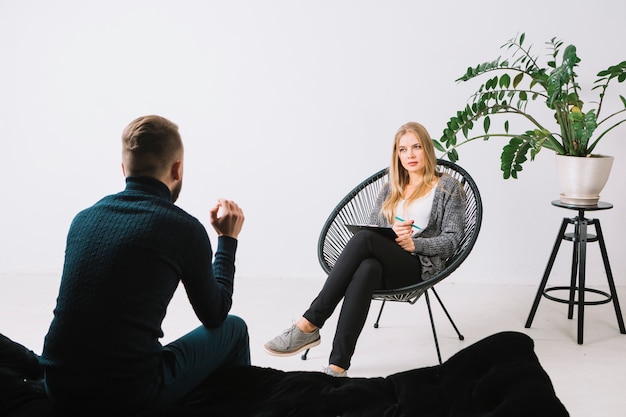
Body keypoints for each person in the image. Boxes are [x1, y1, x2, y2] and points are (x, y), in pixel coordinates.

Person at [40, 115, 250, 414]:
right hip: (128, 395)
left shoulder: (83, 219)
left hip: (57, 386)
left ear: (124, 169)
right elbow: (215, 315)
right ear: (177, 169)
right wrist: (227, 241)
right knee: (234, 329)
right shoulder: (183, 228)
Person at [264, 121, 465, 377]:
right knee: (368, 266)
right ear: (397, 155)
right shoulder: (391, 189)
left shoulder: (448, 188)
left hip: (418, 266)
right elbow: (374, 228)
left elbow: (452, 241)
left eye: (416, 147)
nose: (410, 155)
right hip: (386, 263)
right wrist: (393, 236)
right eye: (403, 149)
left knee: (363, 240)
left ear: (427, 148)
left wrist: (415, 243)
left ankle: (309, 323)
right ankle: (338, 367)